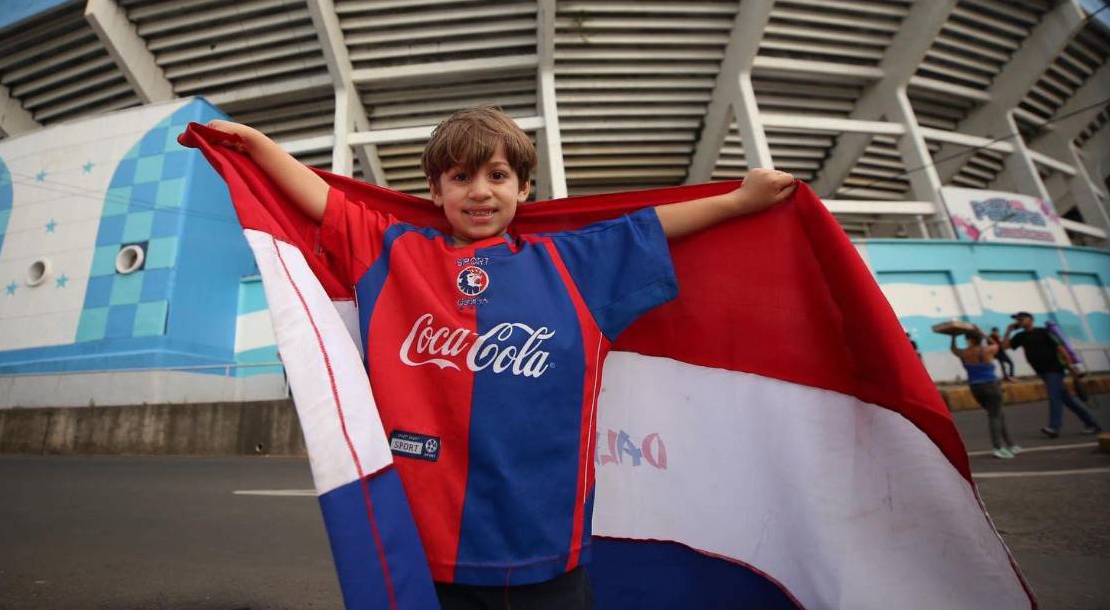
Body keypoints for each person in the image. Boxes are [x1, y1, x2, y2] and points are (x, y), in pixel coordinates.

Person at [208, 107, 796, 610]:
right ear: (435, 192)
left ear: (523, 188)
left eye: (497, 175)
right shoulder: (395, 253)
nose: (481, 191)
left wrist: (739, 201)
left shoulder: (569, 264)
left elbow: (648, 230)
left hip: (545, 555)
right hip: (427, 548)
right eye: (461, 176)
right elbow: (324, 201)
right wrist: (259, 148)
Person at [1004, 312, 1102, 438]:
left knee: (1054, 397)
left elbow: (1060, 347)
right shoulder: (1020, 336)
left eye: (1022, 319)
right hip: (1041, 371)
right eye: (1018, 320)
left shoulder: (1044, 332)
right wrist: (1008, 331)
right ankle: (1092, 424)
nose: (1019, 321)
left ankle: (1054, 427)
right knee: (1068, 400)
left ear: (1031, 320)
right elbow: (1004, 346)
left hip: (1054, 368)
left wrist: (1072, 365)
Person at [951, 328, 1020, 459]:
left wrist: (953, 336)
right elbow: (996, 345)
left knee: (998, 414)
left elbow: (953, 349)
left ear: (970, 340)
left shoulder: (964, 353)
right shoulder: (986, 350)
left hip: (975, 388)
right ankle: (998, 447)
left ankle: (1010, 444)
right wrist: (983, 334)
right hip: (991, 386)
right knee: (995, 415)